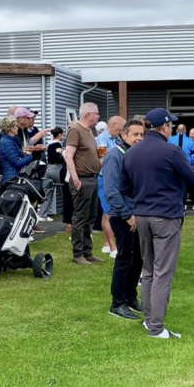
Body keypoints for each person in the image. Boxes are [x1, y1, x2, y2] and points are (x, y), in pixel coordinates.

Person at [121, 108, 194, 338]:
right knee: (162, 272)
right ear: (164, 127)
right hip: (165, 216)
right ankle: (156, 327)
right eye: (170, 125)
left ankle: (150, 320)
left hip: (142, 215)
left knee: (148, 269)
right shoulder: (172, 151)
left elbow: (124, 187)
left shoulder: (132, 152)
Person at [104, 119, 146, 320]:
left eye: (142, 134)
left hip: (138, 214)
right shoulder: (115, 155)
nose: (139, 138)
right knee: (124, 259)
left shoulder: (136, 155)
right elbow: (111, 191)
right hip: (123, 216)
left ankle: (130, 297)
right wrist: (127, 215)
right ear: (124, 135)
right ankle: (117, 303)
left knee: (138, 258)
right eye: (135, 134)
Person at [64, 102, 104, 265]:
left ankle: (87, 252)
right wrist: (75, 178)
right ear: (88, 114)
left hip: (92, 178)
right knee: (80, 217)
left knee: (90, 217)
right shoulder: (75, 130)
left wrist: (100, 160)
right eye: (96, 113)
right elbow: (68, 155)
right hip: (82, 179)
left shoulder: (89, 132)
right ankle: (78, 253)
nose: (98, 116)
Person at [98, 116, 125, 256]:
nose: (122, 132)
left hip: (115, 178)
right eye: (121, 128)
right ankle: (114, 248)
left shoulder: (116, 139)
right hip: (104, 178)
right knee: (109, 213)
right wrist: (106, 157)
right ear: (113, 124)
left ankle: (106, 244)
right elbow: (98, 161)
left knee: (106, 212)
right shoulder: (101, 140)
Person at [0, 115, 33, 183]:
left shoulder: (10, 141)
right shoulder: (7, 143)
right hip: (11, 179)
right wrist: (29, 156)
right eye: (15, 126)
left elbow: (21, 154)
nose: (17, 127)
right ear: (10, 128)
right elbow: (17, 163)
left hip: (12, 177)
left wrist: (25, 154)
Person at [40, 127, 64, 219]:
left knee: (47, 192)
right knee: (64, 191)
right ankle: (68, 214)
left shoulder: (49, 144)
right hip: (57, 169)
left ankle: (43, 215)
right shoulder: (58, 144)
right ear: (59, 134)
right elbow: (58, 157)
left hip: (48, 169)